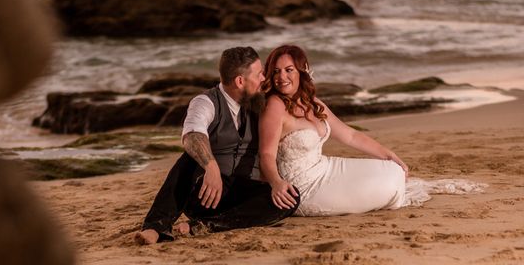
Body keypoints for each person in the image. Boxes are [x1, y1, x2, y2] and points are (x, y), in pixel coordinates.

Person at [136, 46, 300, 244]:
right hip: (205, 195)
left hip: (239, 196)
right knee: (189, 158)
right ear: (240, 81)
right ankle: (155, 226)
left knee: (289, 198)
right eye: (259, 74)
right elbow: (192, 134)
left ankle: (205, 226)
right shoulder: (205, 102)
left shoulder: (258, 101)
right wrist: (210, 166)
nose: (264, 79)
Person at [259, 44, 409, 216]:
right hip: (303, 188)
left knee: (392, 169)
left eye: (289, 70)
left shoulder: (311, 102)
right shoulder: (275, 106)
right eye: (276, 71)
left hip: (326, 168)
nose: (282, 77)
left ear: (302, 71)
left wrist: (389, 155)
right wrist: (276, 183)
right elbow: (266, 154)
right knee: (389, 185)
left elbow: (350, 135)